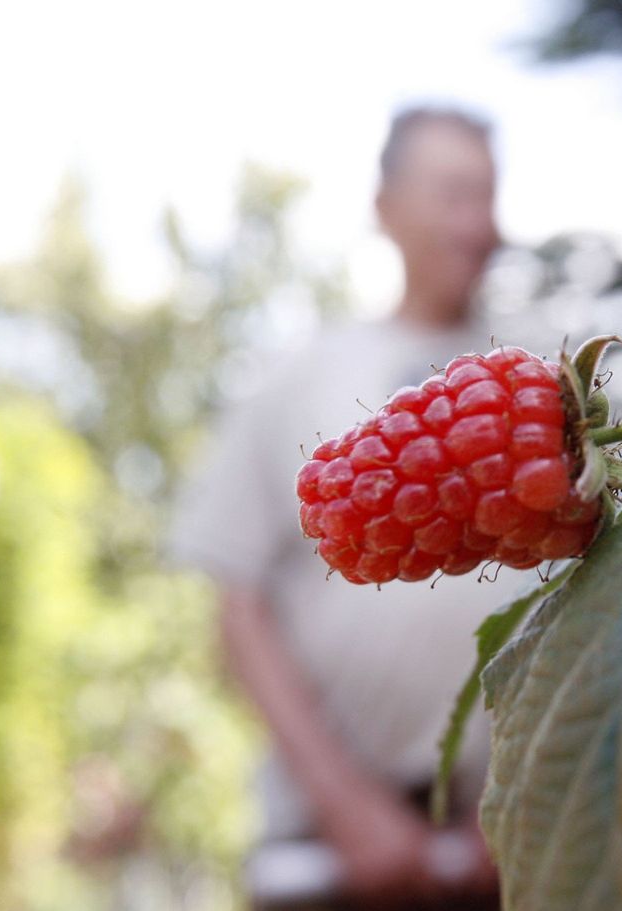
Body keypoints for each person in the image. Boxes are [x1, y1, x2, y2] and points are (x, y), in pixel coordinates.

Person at [171, 108, 531, 911]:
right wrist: (343, 802)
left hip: (504, 847)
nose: (479, 224)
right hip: (327, 854)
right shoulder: (296, 373)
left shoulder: (541, 376)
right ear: (385, 207)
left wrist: (528, 792)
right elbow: (237, 604)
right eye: (453, 194)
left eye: (489, 196)